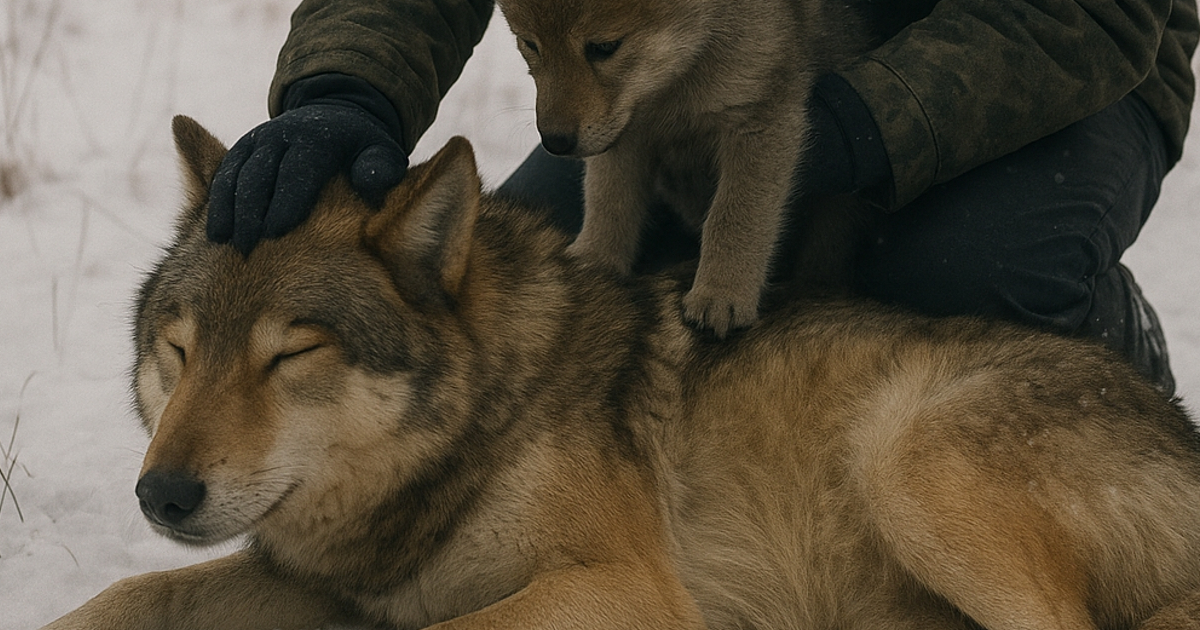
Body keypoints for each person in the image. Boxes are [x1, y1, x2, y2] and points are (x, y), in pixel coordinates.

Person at [207, 0, 1198, 396]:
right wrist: (347, 88)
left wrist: (857, 124)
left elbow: (1092, 16)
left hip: (1057, 64)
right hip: (707, 54)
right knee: (522, 299)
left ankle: (1105, 358)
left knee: (950, 270)